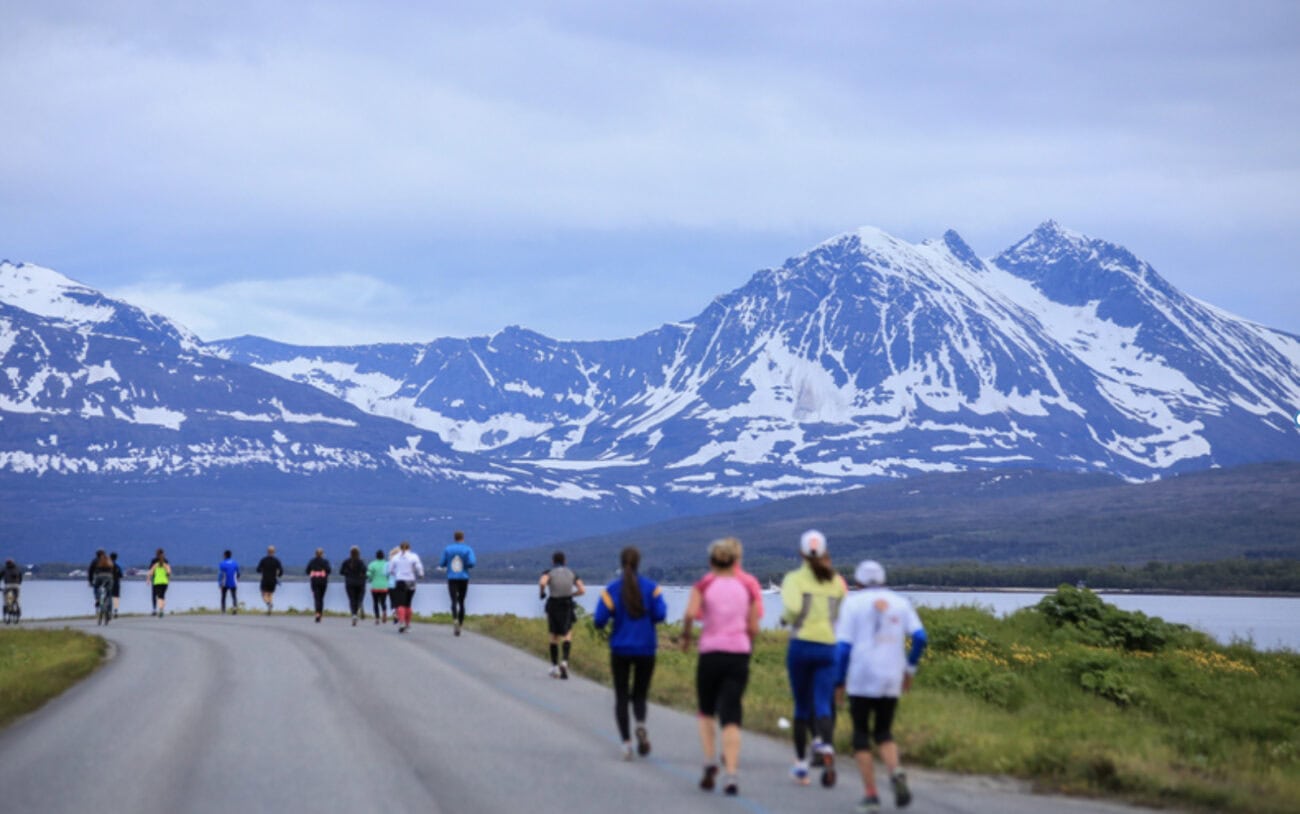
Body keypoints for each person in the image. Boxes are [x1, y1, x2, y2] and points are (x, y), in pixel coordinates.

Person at [835, 560, 928, 813]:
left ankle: (871, 795)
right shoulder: (901, 603)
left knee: (861, 736)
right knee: (884, 733)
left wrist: (838, 681)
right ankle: (895, 772)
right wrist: (909, 670)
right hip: (891, 677)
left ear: (857, 583)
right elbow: (920, 637)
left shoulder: (852, 604)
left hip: (861, 678)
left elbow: (843, 648)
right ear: (884, 580)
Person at [681, 537, 763, 796]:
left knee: (706, 710)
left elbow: (690, 614)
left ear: (711, 561)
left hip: (711, 653)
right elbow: (753, 626)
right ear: (736, 560)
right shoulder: (748, 586)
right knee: (731, 714)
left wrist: (685, 637)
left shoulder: (704, 585)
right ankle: (731, 774)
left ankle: (709, 761)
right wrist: (747, 643)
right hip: (738, 654)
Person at [781, 529, 849, 787]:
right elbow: (842, 610)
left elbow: (793, 609)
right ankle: (826, 746)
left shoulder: (794, 579)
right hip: (828, 647)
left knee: (801, 706)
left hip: (801, 645)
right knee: (823, 702)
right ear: (824, 552)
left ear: (801, 553)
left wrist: (786, 620)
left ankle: (801, 765)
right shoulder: (836, 582)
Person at [593, 546, 668, 761]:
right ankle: (641, 725)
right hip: (646, 648)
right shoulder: (652, 589)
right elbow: (661, 614)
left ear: (621, 562)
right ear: (639, 563)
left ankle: (627, 743)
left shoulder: (611, 591)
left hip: (620, 649)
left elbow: (599, 620)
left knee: (622, 696)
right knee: (640, 694)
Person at [539, 551, 586, 678]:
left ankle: (554, 667)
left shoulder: (548, 573)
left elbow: (543, 582)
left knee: (554, 636)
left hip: (554, 604)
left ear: (553, 561)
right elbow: (582, 589)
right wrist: (572, 594)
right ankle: (564, 662)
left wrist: (542, 593)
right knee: (567, 633)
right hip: (567, 604)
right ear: (565, 562)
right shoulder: (572, 573)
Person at [439, 530, 475, 636]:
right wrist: (466, 566)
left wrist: (447, 565)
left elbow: (441, 563)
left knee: (453, 600)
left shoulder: (448, 549)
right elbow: (472, 563)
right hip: (464, 577)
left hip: (452, 578)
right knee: (462, 601)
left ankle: (455, 619)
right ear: (463, 538)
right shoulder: (467, 549)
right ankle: (460, 623)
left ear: (454, 538)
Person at [387, 541, 424, 633]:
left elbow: (390, 570)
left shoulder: (395, 557)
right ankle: (408, 624)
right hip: (411, 581)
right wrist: (421, 574)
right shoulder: (414, 556)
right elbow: (419, 567)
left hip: (400, 581)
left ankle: (402, 622)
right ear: (409, 548)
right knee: (408, 603)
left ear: (400, 548)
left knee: (400, 604)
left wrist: (396, 573)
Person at [340, 546, 368, 626]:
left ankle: (354, 615)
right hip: (360, 582)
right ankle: (359, 605)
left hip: (350, 582)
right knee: (360, 597)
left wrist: (348, 573)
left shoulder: (346, 562)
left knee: (352, 599)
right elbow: (365, 572)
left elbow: (341, 572)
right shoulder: (361, 562)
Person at [306, 548, 332, 623]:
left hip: (314, 581)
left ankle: (317, 613)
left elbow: (307, 571)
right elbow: (329, 570)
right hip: (323, 582)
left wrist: (313, 571)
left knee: (317, 598)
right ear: (322, 554)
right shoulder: (325, 562)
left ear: (315, 554)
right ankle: (320, 613)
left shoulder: (312, 561)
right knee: (321, 598)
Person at [89, 550, 114, 624]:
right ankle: (109, 612)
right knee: (109, 594)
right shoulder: (108, 560)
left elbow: (90, 571)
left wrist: (90, 581)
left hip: (99, 577)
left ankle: (97, 599)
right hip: (108, 577)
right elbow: (112, 570)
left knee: (96, 588)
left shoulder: (95, 561)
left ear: (96, 554)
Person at [256, 545, 284, 614]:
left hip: (265, 579)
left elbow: (258, 569)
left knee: (263, 593)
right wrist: (278, 575)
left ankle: (268, 603)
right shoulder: (277, 561)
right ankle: (270, 608)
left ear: (267, 551)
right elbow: (281, 570)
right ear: (274, 552)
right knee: (270, 594)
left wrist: (262, 570)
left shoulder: (263, 560)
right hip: (273, 580)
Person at [367, 548, 390, 625]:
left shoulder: (372, 564)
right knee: (383, 602)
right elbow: (389, 575)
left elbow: (369, 575)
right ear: (383, 556)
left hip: (375, 587)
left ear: (376, 556)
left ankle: (377, 618)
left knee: (375, 602)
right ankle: (384, 611)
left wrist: (370, 579)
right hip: (384, 587)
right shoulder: (387, 564)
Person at [147, 548, 171, 617]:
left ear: (156, 554)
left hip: (155, 580)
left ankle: (154, 609)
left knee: (154, 595)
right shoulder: (166, 561)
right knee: (162, 596)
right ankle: (161, 609)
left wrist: (148, 579)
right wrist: (168, 579)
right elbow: (168, 572)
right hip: (164, 581)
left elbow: (150, 570)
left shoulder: (154, 561)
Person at [218, 549, 240, 614]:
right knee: (234, 596)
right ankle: (234, 608)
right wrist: (238, 579)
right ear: (231, 555)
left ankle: (223, 610)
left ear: (225, 555)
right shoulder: (235, 563)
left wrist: (219, 583)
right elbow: (238, 573)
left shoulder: (222, 564)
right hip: (233, 582)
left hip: (225, 582)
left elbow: (221, 574)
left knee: (223, 596)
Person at [3, 558, 23, 622]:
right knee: (17, 599)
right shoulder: (17, 569)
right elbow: (20, 577)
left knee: (6, 600)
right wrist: (19, 583)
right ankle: (18, 609)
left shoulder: (5, 569)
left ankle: (7, 611)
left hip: (8, 586)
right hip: (16, 586)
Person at [109, 552, 123, 618]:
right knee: (116, 597)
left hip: (108, 582)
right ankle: (115, 611)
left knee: (108, 596)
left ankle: (108, 610)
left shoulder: (107, 565)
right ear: (116, 558)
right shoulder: (117, 566)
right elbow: (121, 575)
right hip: (116, 583)